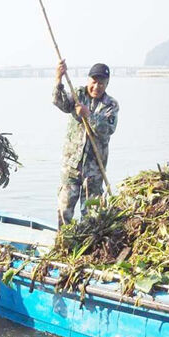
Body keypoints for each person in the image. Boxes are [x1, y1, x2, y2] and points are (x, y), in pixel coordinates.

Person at [52, 62, 119, 225]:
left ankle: (88, 246)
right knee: (64, 211)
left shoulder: (111, 105)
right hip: (71, 166)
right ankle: (63, 245)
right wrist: (58, 78)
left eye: (101, 83)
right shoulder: (78, 95)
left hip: (94, 170)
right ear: (88, 80)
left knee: (91, 215)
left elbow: (107, 129)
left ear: (107, 84)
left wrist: (88, 115)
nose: (96, 86)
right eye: (94, 82)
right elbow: (59, 102)